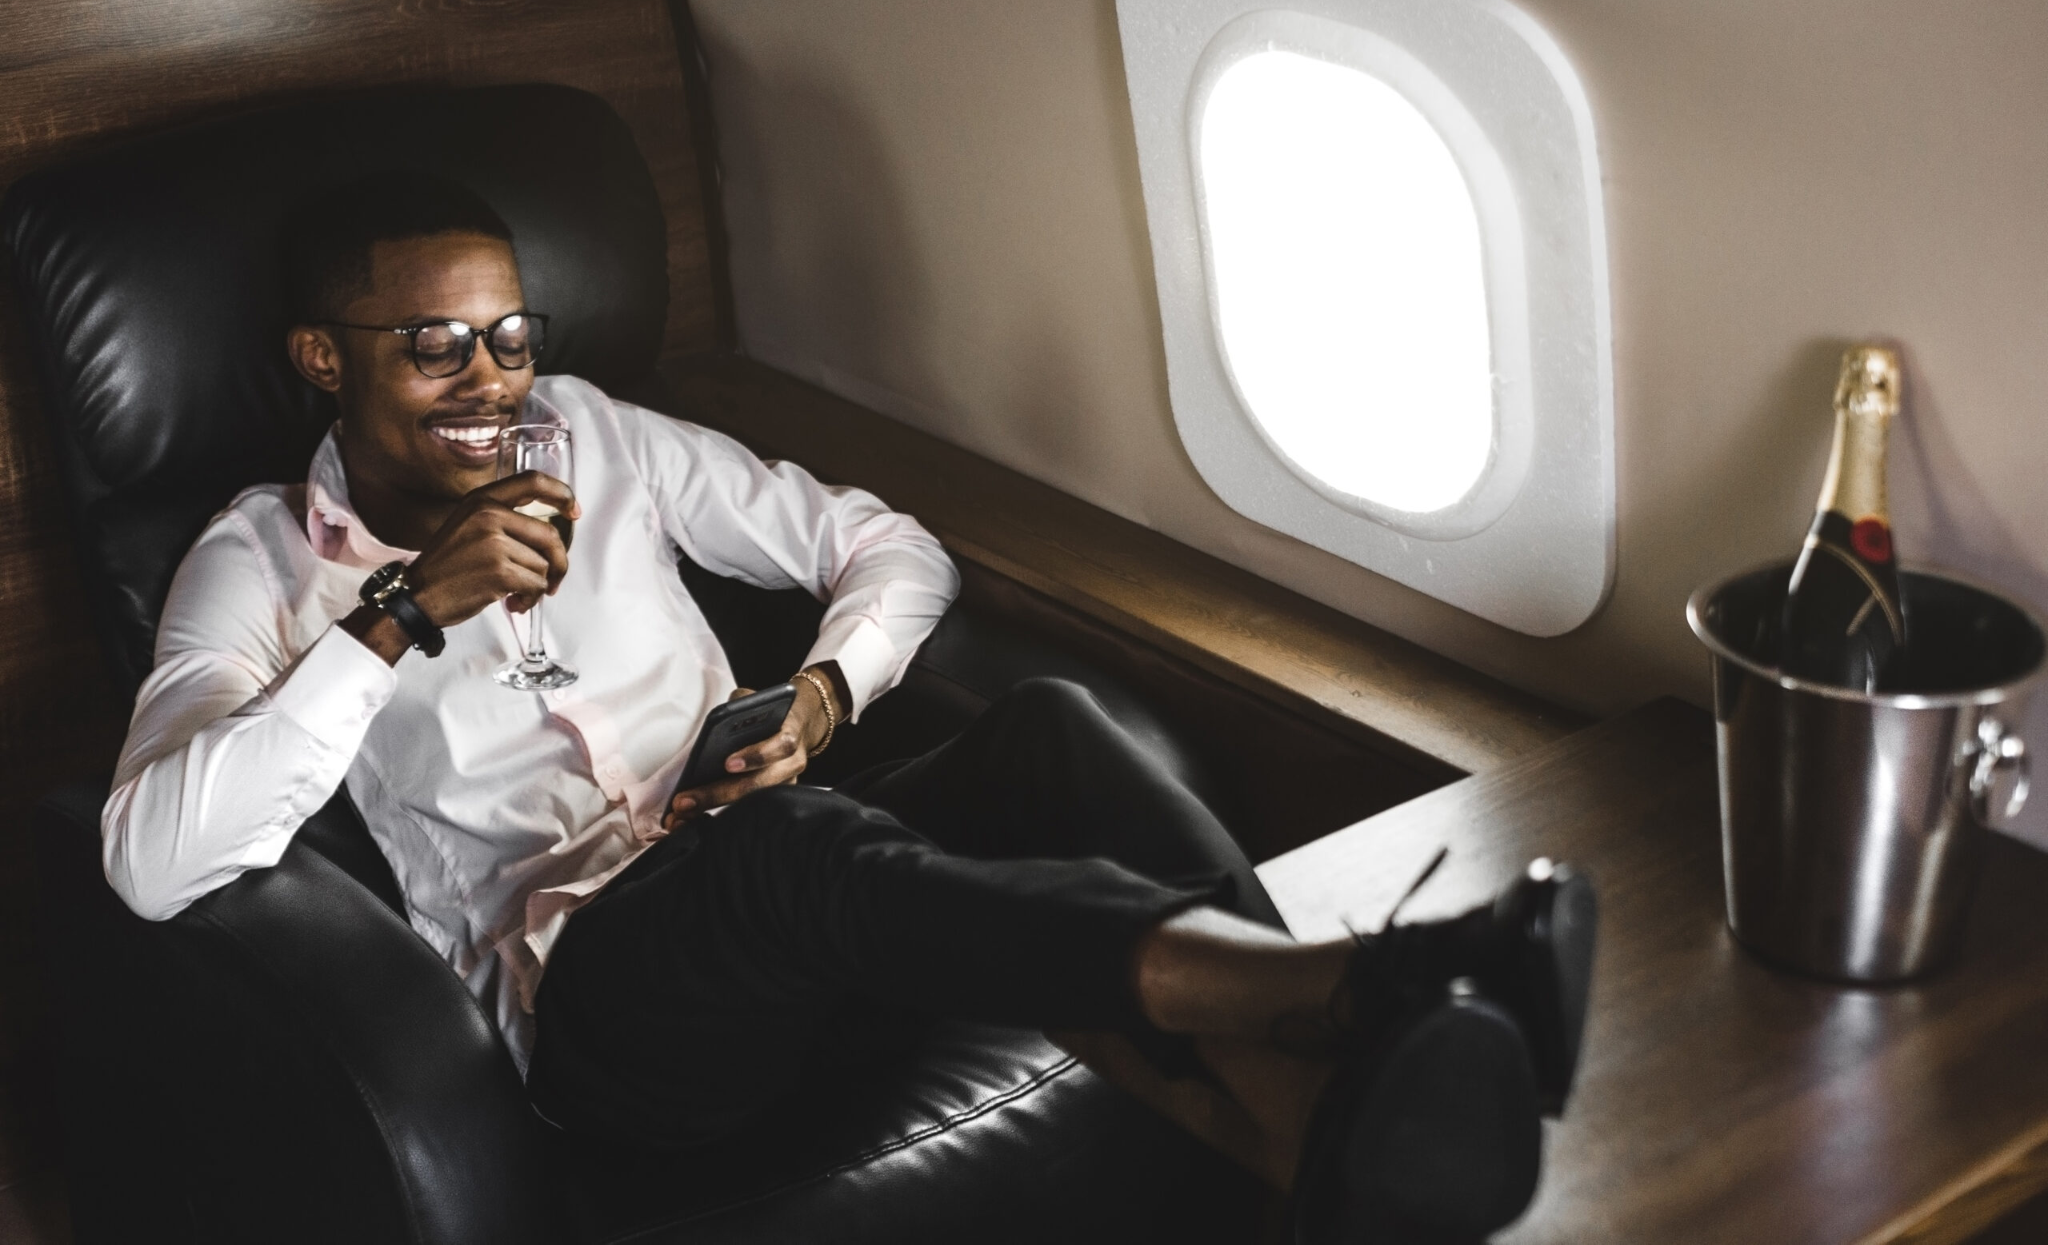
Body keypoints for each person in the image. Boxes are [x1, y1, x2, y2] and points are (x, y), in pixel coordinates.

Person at [102, 170, 1597, 1242]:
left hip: (792, 878)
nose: (491, 379)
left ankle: (1319, 1131)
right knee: (790, 854)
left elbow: (891, 548)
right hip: (603, 1010)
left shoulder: (600, 438)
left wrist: (822, 695)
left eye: (509, 333)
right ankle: (1370, 988)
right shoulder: (257, 562)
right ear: (320, 358)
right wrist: (401, 611)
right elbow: (151, 856)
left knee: (1054, 730)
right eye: (433, 344)